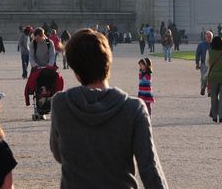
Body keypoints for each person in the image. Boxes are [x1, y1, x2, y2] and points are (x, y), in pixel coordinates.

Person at [50, 29, 167, 189]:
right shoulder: (133, 109)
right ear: (108, 63)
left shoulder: (61, 104)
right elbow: (150, 170)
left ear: (76, 73)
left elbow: (59, 154)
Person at [206, 35, 222, 123]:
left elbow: (207, 63)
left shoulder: (209, 52)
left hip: (213, 76)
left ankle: (215, 116)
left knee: (214, 97)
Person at [194, 30, 213, 96]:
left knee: (210, 78)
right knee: (204, 77)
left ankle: (210, 91)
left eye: (210, 37)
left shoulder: (213, 45)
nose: (209, 38)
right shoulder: (201, 45)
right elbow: (197, 54)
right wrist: (197, 63)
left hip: (212, 64)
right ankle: (203, 88)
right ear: (205, 37)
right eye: (208, 37)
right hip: (203, 64)